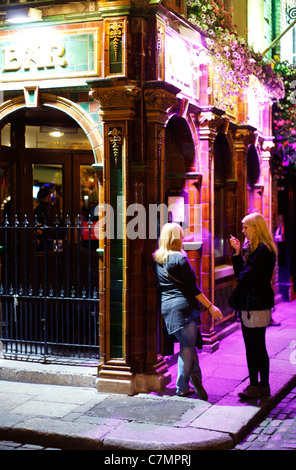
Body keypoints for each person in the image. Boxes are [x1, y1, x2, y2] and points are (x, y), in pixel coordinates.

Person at [153, 222, 223, 399]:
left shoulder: (158, 258)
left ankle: (195, 379)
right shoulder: (180, 259)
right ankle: (183, 385)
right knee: (187, 347)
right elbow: (194, 289)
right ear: (177, 238)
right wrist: (210, 307)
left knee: (189, 347)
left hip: (167, 307)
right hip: (184, 308)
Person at [229, 212, 277, 400]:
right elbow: (243, 276)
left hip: (255, 304)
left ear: (255, 228)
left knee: (255, 346)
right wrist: (238, 254)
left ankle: (258, 385)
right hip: (254, 303)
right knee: (255, 346)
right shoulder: (256, 249)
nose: (243, 231)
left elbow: (244, 277)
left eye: (245, 227)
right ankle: (259, 386)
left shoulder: (262, 251)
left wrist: (238, 255)